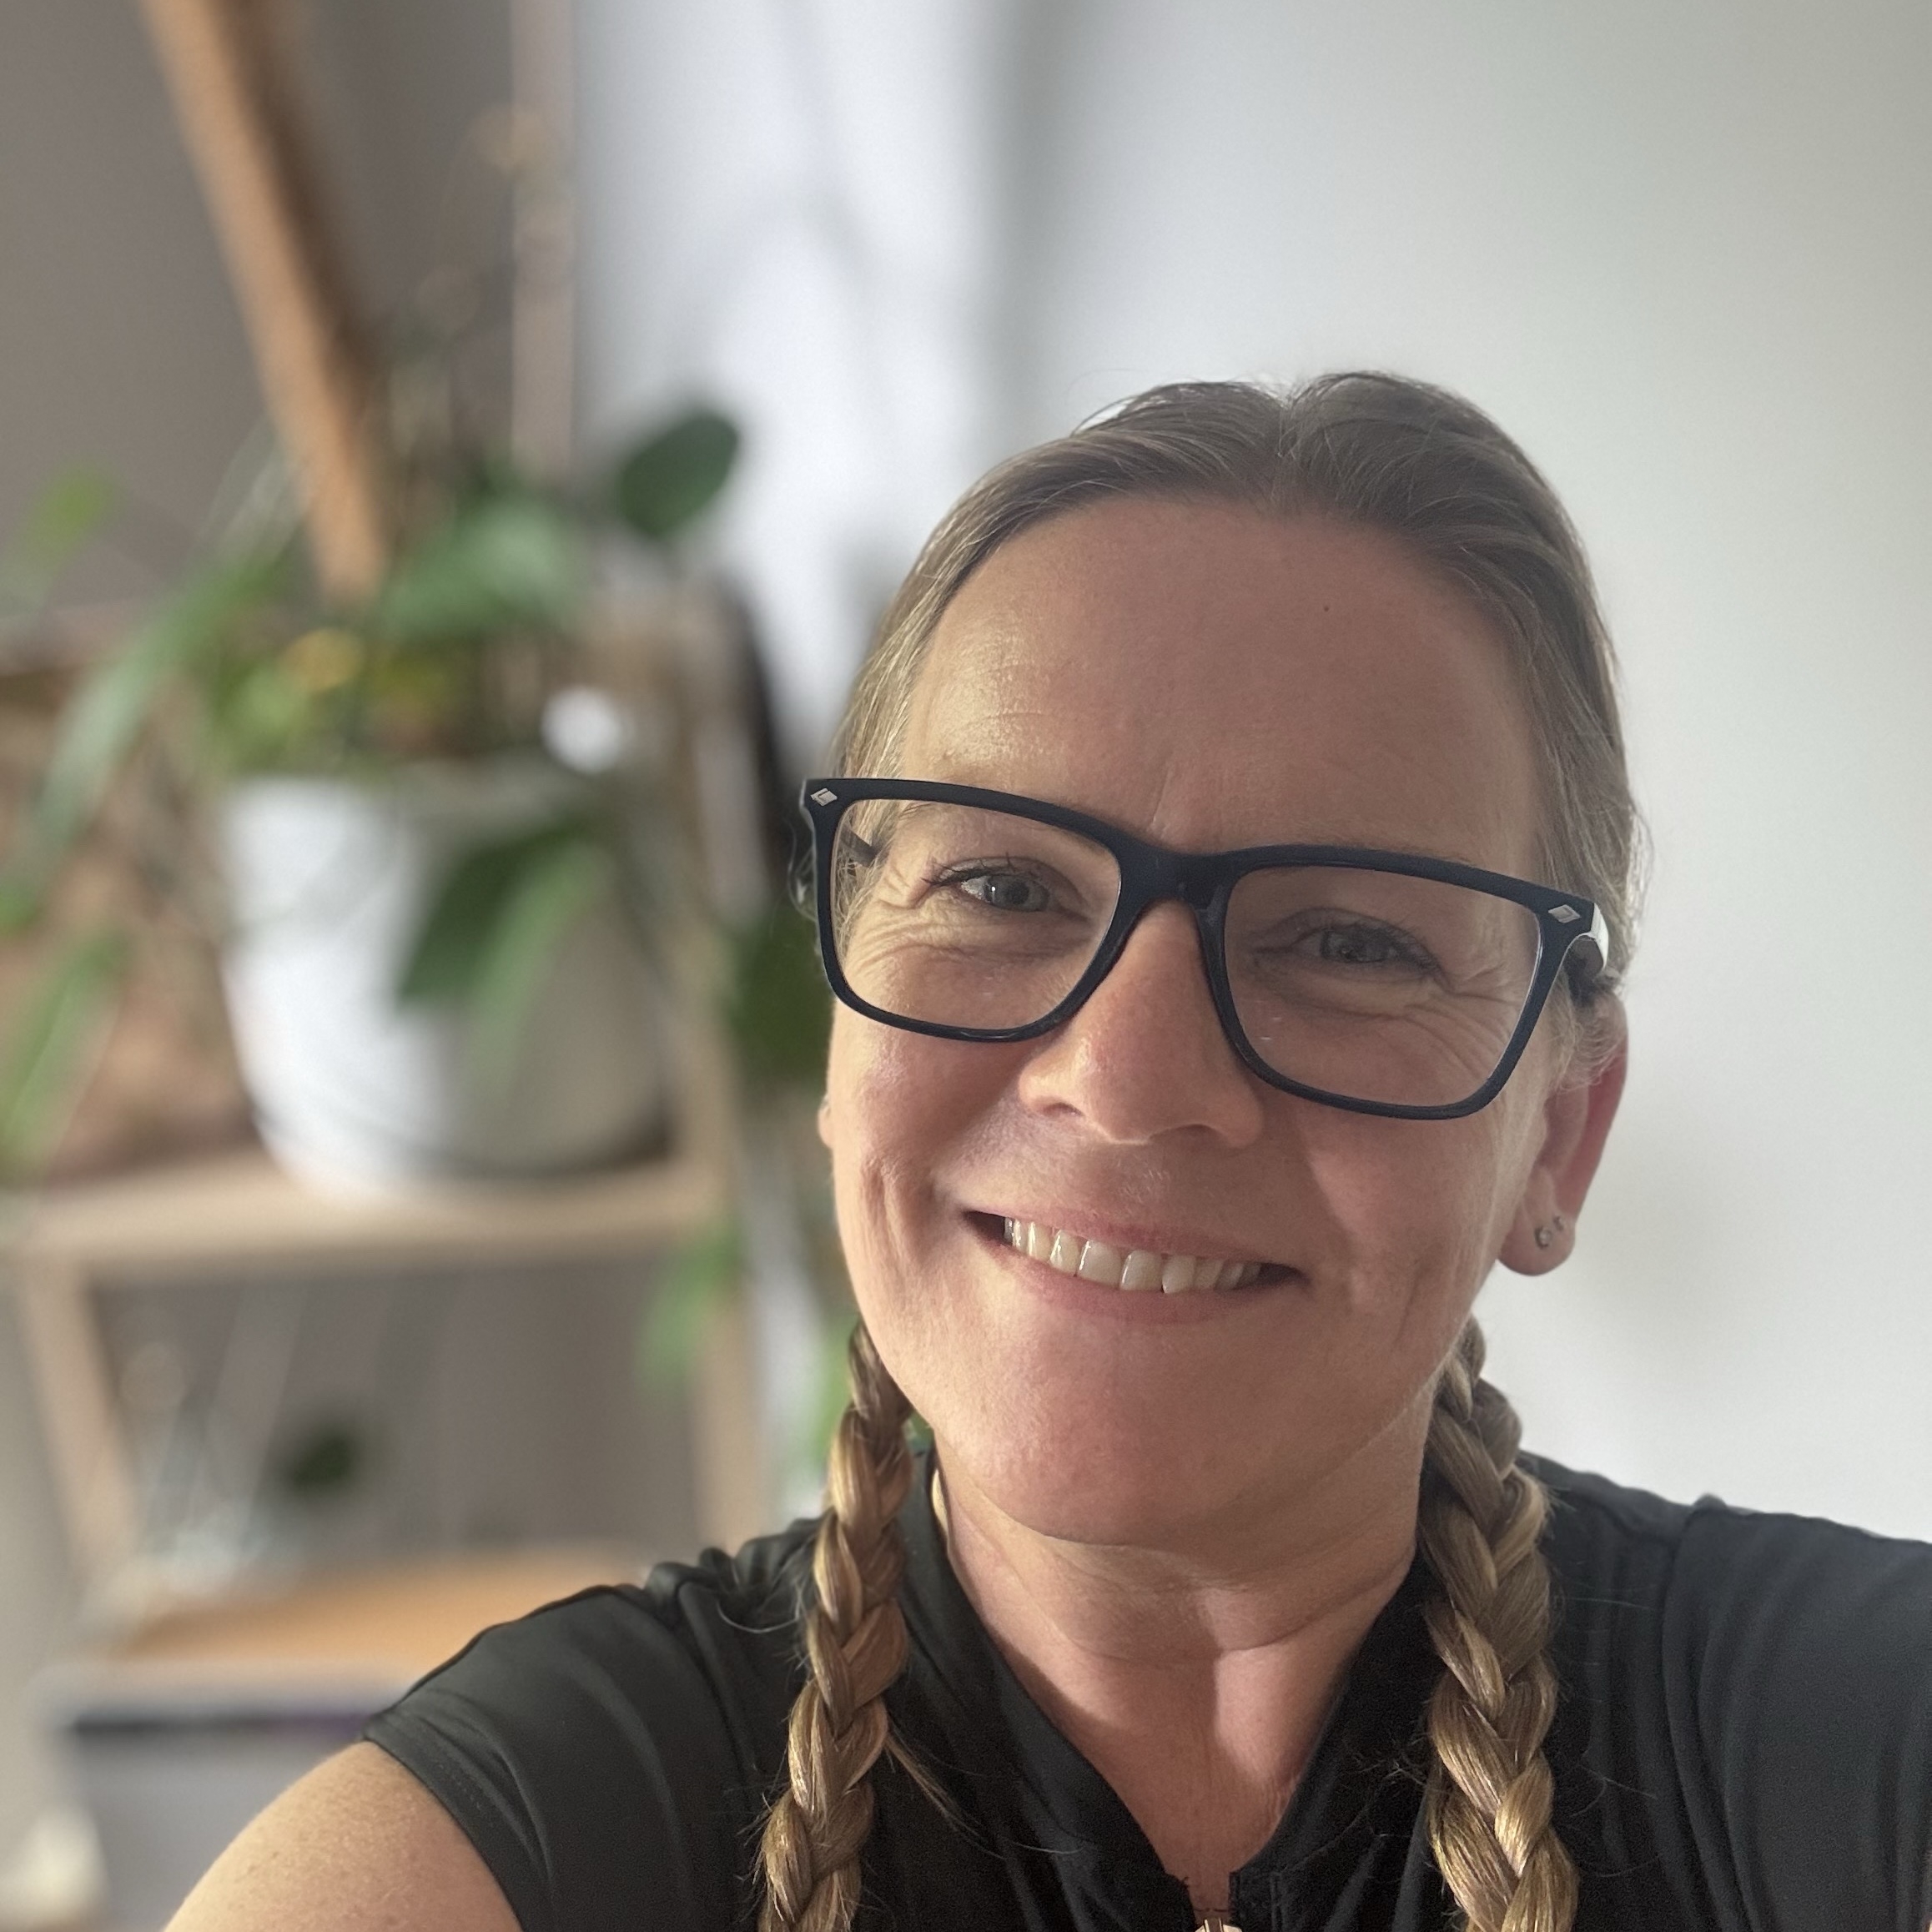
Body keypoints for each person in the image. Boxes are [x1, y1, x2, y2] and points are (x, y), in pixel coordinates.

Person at [165, 376, 1932, 1932]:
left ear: (1561, 1132)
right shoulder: (504, 1852)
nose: (1129, 1078)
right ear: (837, 1030)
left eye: (1350, 942)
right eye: (1001, 886)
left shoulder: (1861, 1746)